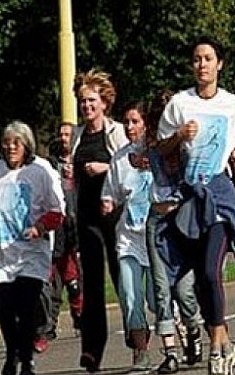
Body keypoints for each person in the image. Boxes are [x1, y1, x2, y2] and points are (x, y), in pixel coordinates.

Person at [156, 38, 235, 375]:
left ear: (219, 64)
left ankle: (215, 350)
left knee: (212, 272)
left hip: (219, 196)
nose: (202, 65)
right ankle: (223, 337)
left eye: (208, 58)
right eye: (197, 59)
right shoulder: (180, 104)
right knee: (198, 281)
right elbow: (162, 149)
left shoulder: (233, 105)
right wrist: (179, 136)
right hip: (189, 199)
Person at [0, 121, 65, 375]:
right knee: (5, 309)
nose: (10, 147)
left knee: (27, 307)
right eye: (7, 142)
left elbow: (57, 211)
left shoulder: (41, 170)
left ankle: (26, 360)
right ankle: (11, 353)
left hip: (33, 252)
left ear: (26, 145)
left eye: (16, 142)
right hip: (5, 253)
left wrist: (39, 227)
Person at [71, 69, 129, 372]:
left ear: (104, 102)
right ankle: (92, 349)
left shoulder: (116, 132)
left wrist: (104, 167)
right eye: (83, 101)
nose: (87, 106)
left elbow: (128, 169)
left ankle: (137, 337)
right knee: (91, 283)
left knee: (123, 278)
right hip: (87, 215)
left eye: (92, 101)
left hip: (114, 216)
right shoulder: (78, 135)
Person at [144, 90, 203, 374]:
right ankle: (170, 352)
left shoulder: (188, 147)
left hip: (184, 221)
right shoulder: (152, 146)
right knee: (160, 290)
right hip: (157, 219)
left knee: (184, 290)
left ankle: (193, 328)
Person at [102, 102, 156, 372]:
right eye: (127, 122)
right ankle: (141, 352)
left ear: (146, 124)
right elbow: (109, 193)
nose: (130, 127)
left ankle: (179, 328)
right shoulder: (119, 159)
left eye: (135, 121)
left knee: (156, 300)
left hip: (154, 239)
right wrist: (108, 204)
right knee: (130, 297)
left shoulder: (159, 152)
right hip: (128, 239)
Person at [36, 122, 83, 352]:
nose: (64, 138)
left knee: (74, 281)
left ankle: (80, 315)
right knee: (52, 282)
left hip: (77, 227)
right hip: (57, 229)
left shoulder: (83, 157)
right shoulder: (51, 163)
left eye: (68, 135)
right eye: (61, 134)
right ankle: (48, 327)